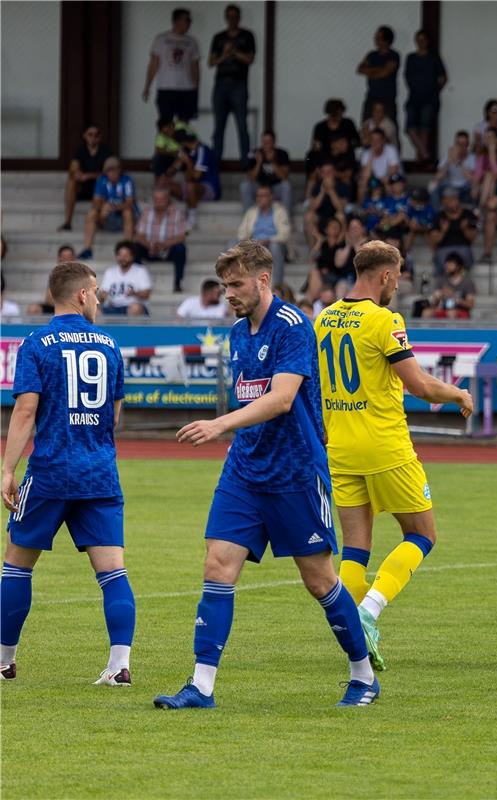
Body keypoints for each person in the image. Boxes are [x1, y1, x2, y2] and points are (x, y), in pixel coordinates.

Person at [153, 241, 379, 709]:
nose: (228, 293)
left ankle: (363, 675)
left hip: (295, 472)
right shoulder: (238, 332)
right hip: (245, 471)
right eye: (223, 285)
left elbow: (280, 399)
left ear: (262, 280)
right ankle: (201, 686)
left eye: (235, 284)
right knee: (217, 565)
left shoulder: (294, 327)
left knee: (319, 581)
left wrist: (218, 424)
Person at [313, 240, 472, 669]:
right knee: (422, 535)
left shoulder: (324, 318)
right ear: (385, 275)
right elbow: (419, 385)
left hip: (341, 448)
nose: (397, 286)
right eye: (397, 278)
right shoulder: (385, 320)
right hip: (385, 445)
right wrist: (458, 393)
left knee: (355, 548)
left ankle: (349, 632)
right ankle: (368, 612)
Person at [1, 261, 135, 685]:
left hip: (52, 470)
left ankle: (4, 661)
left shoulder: (37, 343)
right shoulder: (111, 345)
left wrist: (8, 469)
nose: (97, 298)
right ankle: (119, 665)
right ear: (81, 295)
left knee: (17, 565)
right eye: (95, 291)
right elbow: (115, 415)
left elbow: (25, 410)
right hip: (99, 473)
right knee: (113, 570)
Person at [208, 4, 255, 163]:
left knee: (242, 125)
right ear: (225, 18)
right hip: (221, 84)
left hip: (239, 84)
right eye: (229, 16)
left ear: (239, 18)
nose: (232, 19)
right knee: (219, 125)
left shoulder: (247, 36)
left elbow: (250, 59)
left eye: (235, 16)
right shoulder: (219, 37)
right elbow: (211, 62)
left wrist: (234, 52)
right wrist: (225, 54)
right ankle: (216, 160)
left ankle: (245, 161)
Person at [143, 8, 201, 123]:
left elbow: (195, 66)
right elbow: (153, 64)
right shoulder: (161, 39)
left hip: (187, 89)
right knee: (165, 124)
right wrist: (147, 87)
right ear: (177, 21)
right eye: (187, 20)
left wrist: (196, 89)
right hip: (166, 89)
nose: (189, 23)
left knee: (183, 126)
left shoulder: (192, 42)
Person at [402, 29, 447, 164]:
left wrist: (435, 91)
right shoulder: (411, 58)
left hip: (430, 99)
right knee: (410, 129)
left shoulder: (434, 57)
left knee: (424, 129)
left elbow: (443, 77)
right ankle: (425, 155)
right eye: (418, 39)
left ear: (427, 41)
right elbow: (407, 77)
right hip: (414, 98)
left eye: (423, 39)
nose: (420, 42)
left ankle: (420, 161)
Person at [80, 158, 137, 260]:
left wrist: (114, 207)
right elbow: (96, 201)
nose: (111, 173)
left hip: (122, 220)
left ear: (119, 170)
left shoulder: (126, 180)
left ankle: (128, 249)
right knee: (91, 213)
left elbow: (130, 203)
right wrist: (102, 208)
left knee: (127, 212)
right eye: (108, 170)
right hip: (106, 218)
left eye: (113, 170)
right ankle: (87, 249)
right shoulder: (101, 180)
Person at [134, 188, 190, 292]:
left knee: (180, 249)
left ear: (168, 200)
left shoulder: (177, 213)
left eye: (162, 199)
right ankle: (139, 281)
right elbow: (139, 235)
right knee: (135, 248)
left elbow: (182, 236)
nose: (158, 202)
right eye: (156, 199)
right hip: (150, 249)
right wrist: (149, 245)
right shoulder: (147, 212)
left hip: (168, 250)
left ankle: (178, 282)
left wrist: (165, 244)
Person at [59, 126, 110, 233]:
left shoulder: (106, 152)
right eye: (90, 134)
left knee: (104, 184)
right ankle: (68, 222)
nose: (93, 138)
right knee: (71, 182)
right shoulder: (80, 151)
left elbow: (108, 173)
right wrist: (77, 173)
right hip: (84, 187)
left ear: (100, 137)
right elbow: (73, 168)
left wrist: (88, 176)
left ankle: (99, 222)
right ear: (85, 136)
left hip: (99, 188)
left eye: (96, 135)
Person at [237, 185, 291, 283]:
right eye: (258, 196)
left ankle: (277, 286)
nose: (259, 198)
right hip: (255, 245)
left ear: (271, 197)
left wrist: (269, 240)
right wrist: (252, 242)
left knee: (275, 247)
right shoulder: (251, 212)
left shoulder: (280, 211)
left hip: (274, 245)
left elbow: (285, 234)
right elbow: (241, 233)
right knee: (233, 244)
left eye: (263, 196)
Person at [356, 26, 400, 124]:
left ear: (386, 40)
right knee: (366, 125)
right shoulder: (371, 55)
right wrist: (380, 69)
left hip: (388, 98)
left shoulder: (393, 55)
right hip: (371, 96)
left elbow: (384, 73)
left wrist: (370, 71)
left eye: (378, 37)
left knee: (389, 127)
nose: (375, 39)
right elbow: (360, 69)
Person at [176, 130, 220, 228]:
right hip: (193, 188)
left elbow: (196, 176)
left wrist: (188, 162)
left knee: (190, 187)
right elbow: (185, 177)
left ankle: (192, 218)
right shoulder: (189, 153)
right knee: (166, 184)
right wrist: (178, 162)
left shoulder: (203, 150)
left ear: (183, 143)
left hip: (209, 188)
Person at [307, 99, 361, 178]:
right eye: (338, 113)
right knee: (310, 156)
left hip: (345, 156)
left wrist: (344, 145)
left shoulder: (348, 123)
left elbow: (357, 141)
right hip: (326, 156)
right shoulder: (320, 127)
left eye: (341, 112)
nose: (340, 115)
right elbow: (316, 146)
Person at [303, 161, 350, 250]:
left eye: (329, 172)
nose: (327, 174)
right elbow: (313, 207)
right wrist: (322, 192)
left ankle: (337, 248)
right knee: (309, 216)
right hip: (321, 218)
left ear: (334, 172)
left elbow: (341, 208)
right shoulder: (317, 186)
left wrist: (331, 191)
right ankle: (313, 250)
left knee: (341, 216)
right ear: (321, 174)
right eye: (324, 172)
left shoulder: (343, 186)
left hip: (336, 217)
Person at [99, 241, 152, 317]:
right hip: (113, 307)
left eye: (126, 255)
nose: (123, 258)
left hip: (134, 306)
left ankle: (131, 330)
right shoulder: (110, 272)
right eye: (120, 255)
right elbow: (102, 293)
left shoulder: (140, 271)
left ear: (132, 256)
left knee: (135, 308)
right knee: (95, 311)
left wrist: (134, 293)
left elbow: (146, 294)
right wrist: (103, 295)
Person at [240, 130, 290, 211]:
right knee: (245, 185)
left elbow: (284, 177)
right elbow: (251, 178)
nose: (266, 145)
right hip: (259, 187)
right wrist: (259, 163)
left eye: (268, 142)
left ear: (274, 142)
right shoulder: (255, 153)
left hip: (275, 188)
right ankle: (248, 218)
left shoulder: (282, 154)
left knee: (286, 186)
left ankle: (285, 220)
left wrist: (273, 161)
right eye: (264, 142)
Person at [430, 189, 477, 273]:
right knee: (442, 259)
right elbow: (435, 240)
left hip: (463, 247)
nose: (449, 203)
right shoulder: (439, 216)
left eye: (452, 199)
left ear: (458, 200)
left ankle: (461, 282)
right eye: (446, 200)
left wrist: (465, 229)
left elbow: (472, 238)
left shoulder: (467, 214)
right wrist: (443, 231)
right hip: (444, 248)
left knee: (465, 256)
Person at [423, 252, 476, 319]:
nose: (447, 266)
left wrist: (454, 297)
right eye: (446, 263)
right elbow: (434, 304)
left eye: (450, 264)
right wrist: (438, 296)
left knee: (451, 312)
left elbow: (470, 304)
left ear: (458, 266)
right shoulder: (440, 280)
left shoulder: (467, 282)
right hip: (442, 309)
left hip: (459, 310)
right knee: (426, 312)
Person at [430, 130, 475, 207]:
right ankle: (437, 216)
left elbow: (472, 179)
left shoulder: (472, 158)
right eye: (458, 144)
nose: (461, 147)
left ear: (468, 145)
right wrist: (448, 162)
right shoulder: (447, 157)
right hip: (449, 185)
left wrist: (459, 163)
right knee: (434, 189)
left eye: (463, 144)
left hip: (465, 187)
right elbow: (437, 177)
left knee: (471, 191)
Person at [358, 128, 402, 201]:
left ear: (383, 140)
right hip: (375, 181)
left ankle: (389, 207)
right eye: (372, 140)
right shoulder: (367, 153)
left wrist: (384, 179)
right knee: (362, 184)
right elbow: (365, 176)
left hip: (391, 179)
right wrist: (371, 155)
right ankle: (361, 209)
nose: (375, 142)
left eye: (377, 140)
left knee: (387, 183)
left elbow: (393, 170)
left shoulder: (391, 150)